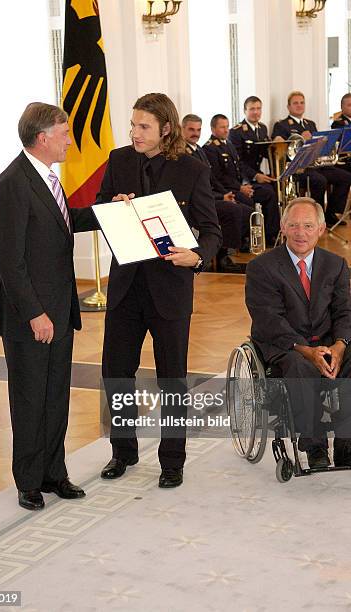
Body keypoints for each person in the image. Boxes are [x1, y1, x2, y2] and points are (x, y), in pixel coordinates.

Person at [98, 93, 221, 488]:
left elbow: (213, 230)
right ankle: (123, 452)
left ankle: (172, 462)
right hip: (125, 287)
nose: (134, 132)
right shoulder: (118, 160)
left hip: (169, 288)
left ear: (165, 129)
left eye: (143, 126)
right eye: (132, 125)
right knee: (116, 373)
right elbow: (101, 205)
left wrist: (197, 257)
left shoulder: (192, 169)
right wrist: (113, 205)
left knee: (171, 378)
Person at [0, 102, 98, 510]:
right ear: (43, 138)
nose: (70, 139)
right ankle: (28, 481)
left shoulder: (48, 178)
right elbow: (9, 261)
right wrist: (35, 314)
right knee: (30, 398)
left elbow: (65, 219)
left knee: (55, 395)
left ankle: (54, 473)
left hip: (59, 309)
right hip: (29, 316)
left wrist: (111, 211)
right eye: (65, 132)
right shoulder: (13, 183)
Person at [245, 197, 351, 469]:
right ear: (282, 227)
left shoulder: (336, 264)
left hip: (328, 342)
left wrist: (339, 346)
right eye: (293, 225)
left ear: (321, 229)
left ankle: (346, 444)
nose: (300, 233)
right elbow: (268, 319)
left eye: (307, 225)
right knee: (299, 367)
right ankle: (314, 446)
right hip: (284, 345)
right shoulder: (262, 267)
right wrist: (306, 350)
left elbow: (344, 311)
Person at [182, 113, 250, 272]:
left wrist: (226, 194)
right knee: (232, 210)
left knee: (246, 210)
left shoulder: (198, 149)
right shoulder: (182, 153)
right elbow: (192, 187)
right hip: (194, 203)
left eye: (198, 129)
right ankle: (221, 258)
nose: (195, 133)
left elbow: (211, 179)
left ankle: (231, 250)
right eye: (191, 129)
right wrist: (221, 197)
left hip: (209, 197)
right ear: (182, 129)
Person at [272, 91, 351, 227]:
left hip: (316, 165)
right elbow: (281, 148)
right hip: (298, 168)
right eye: (295, 103)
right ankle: (315, 218)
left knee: (345, 176)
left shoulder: (310, 124)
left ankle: (331, 214)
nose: (299, 105)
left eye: (302, 102)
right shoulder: (282, 125)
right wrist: (302, 138)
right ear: (288, 107)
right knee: (319, 181)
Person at [203, 114, 280, 246]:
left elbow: (239, 168)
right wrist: (240, 188)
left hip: (240, 185)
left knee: (269, 193)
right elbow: (218, 177)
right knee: (247, 202)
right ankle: (245, 239)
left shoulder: (228, 145)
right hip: (227, 190)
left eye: (227, 126)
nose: (226, 130)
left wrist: (246, 184)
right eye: (222, 127)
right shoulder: (210, 148)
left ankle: (270, 234)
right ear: (213, 129)